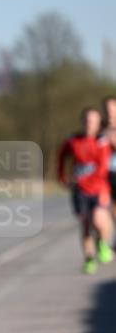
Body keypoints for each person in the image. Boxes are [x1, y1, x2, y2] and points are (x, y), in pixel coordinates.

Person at [57, 107, 113, 273]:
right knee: (86, 225)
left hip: (98, 188)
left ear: (98, 124)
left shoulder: (102, 141)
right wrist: (62, 177)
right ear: (82, 122)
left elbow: (102, 168)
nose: (89, 124)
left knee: (98, 220)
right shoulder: (73, 140)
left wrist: (82, 179)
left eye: (93, 121)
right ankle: (88, 258)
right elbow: (61, 157)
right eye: (87, 120)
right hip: (79, 191)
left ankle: (102, 243)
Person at [101, 95, 116, 233]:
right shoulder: (100, 129)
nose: (110, 112)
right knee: (107, 208)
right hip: (104, 173)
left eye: (112, 108)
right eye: (107, 109)